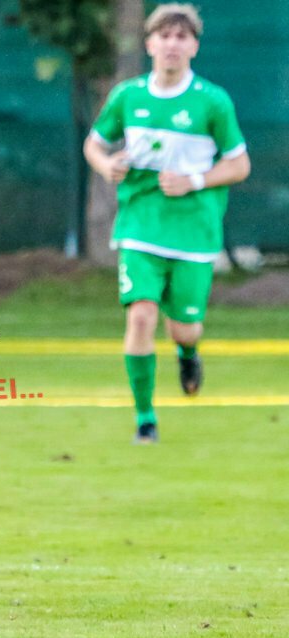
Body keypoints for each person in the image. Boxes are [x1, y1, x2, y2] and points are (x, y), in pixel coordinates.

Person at [83, 4, 250, 444]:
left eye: (182, 36)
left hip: (194, 230)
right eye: (165, 35)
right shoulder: (127, 95)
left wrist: (194, 179)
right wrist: (106, 166)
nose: (173, 44)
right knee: (141, 316)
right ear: (149, 43)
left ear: (194, 46)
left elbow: (239, 164)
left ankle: (188, 352)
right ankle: (145, 417)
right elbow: (94, 145)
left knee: (184, 326)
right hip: (140, 223)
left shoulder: (213, 101)